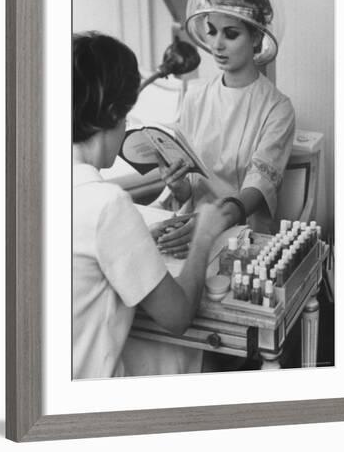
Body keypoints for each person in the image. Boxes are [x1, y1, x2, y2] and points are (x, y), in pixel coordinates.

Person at [72, 31, 229, 379]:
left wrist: (139, 236)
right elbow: (177, 316)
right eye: (126, 114)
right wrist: (204, 235)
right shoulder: (106, 204)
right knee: (213, 361)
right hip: (90, 396)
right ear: (114, 114)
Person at [155, 0, 295, 258]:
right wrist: (178, 185)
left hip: (241, 237)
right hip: (190, 229)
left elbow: (257, 188)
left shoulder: (278, 109)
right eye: (212, 31)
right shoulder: (195, 97)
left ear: (256, 37)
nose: (217, 44)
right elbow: (190, 186)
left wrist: (211, 224)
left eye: (231, 34)